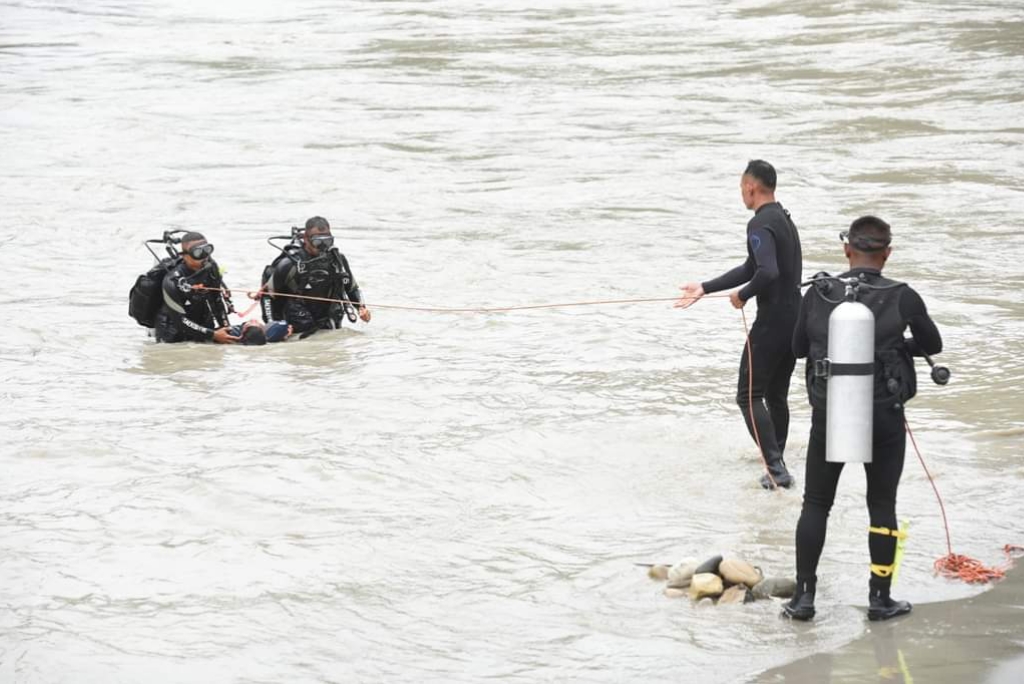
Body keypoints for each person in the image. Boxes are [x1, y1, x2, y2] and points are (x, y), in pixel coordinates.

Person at [784, 215, 943, 622]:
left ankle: (803, 599)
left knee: (816, 504)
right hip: (884, 416)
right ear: (887, 254)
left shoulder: (820, 293)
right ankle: (879, 598)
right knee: (882, 505)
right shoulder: (903, 296)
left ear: (846, 249)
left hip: (830, 412)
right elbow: (932, 344)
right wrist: (899, 343)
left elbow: (799, 348)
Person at [676, 160, 803, 489]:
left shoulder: (760, 224)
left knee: (748, 396)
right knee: (776, 395)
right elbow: (754, 266)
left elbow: (767, 272)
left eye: (741, 188)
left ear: (751, 187)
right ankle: (777, 459)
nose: (741, 195)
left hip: (772, 322)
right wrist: (705, 287)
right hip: (794, 321)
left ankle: (775, 469)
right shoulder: (784, 219)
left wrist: (743, 296)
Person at [259, 216, 371, 336]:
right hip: (297, 325)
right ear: (306, 239)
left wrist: (361, 307)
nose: (323, 246)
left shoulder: (337, 260)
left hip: (328, 320)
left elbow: (351, 287)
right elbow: (267, 296)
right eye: (318, 241)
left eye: (327, 241)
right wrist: (273, 325)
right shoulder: (290, 264)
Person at [154, 232, 240, 344]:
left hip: (202, 326)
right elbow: (180, 320)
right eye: (198, 252)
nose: (204, 257)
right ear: (184, 255)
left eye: (207, 250)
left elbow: (217, 300)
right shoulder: (172, 281)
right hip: (173, 333)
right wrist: (213, 334)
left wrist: (225, 328)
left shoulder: (211, 268)